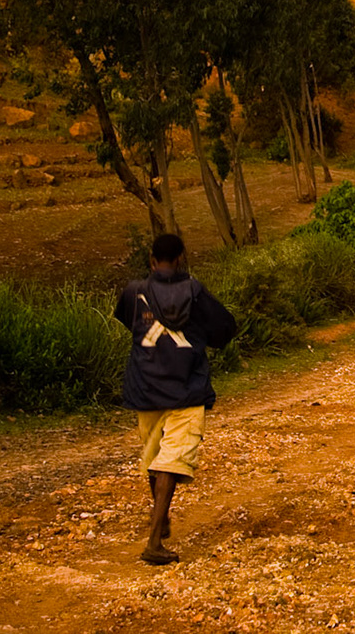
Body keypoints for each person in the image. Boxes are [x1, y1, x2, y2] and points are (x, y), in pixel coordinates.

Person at [114, 232, 238, 565]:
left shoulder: (133, 292)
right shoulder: (195, 293)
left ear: (152, 261)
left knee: (155, 455)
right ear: (181, 259)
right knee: (170, 460)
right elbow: (225, 330)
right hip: (186, 388)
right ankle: (154, 542)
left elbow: (130, 324)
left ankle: (160, 517)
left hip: (146, 388)